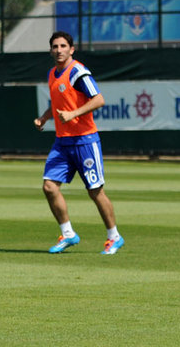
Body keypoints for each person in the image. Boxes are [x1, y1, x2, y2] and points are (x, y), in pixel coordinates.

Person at [33, 31, 124, 255]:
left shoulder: (78, 72)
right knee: (49, 187)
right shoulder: (52, 74)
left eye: (63, 46)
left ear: (71, 49)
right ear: (50, 50)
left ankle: (114, 236)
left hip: (85, 141)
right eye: (55, 46)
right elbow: (57, 104)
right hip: (62, 142)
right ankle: (68, 233)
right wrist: (44, 118)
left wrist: (73, 113)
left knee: (95, 191)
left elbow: (99, 99)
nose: (59, 50)